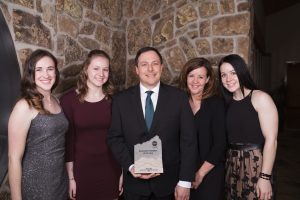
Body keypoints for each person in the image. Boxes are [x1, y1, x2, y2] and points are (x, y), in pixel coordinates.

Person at [107, 46, 197, 200]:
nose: (150, 69)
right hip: (134, 186)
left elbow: (189, 141)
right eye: (144, 64)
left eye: (155, 63)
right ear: (136, 69)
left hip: (169, 185)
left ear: (162, 67)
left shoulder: (179, 98)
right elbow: (114, 138)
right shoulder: (121, 100)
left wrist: (185, 181)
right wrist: (130, 166)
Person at [60, 49, 122, 200]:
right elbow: (68, 142)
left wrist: (123, 172)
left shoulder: (116, 100)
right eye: (96, 68)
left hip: (111, 169)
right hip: (81, 171)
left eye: (105, 69)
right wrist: (70, 178)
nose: (101, 74)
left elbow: (122, 138)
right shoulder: (68, 100)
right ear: (86, 69)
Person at [8, 49, 68, 200]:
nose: (46, 75)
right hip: (36, 186)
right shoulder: (24, 106)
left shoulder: (56, 101)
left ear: (56, 72)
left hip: (60, 183)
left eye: (50, 69)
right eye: (39, 70)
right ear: (31, 75)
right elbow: (13, 158)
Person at [218, 54, 278, 200]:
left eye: (233, 73)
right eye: (223, 75)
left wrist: (265, 177)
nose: (228, 79)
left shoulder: (260, 98)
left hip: (255, 164)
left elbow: (272, 141)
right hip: (232, 165)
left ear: (241, 72)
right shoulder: (226, 103)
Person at [179, 57, 227, 200]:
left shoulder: (216, 104)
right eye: (191, 76)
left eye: (200, 77)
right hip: (183, 173)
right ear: (185, 77)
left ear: (207, 80)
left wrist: (200, 174)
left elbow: (220, 144)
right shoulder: (179, 102)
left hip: (210, 172)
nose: (195, 81)